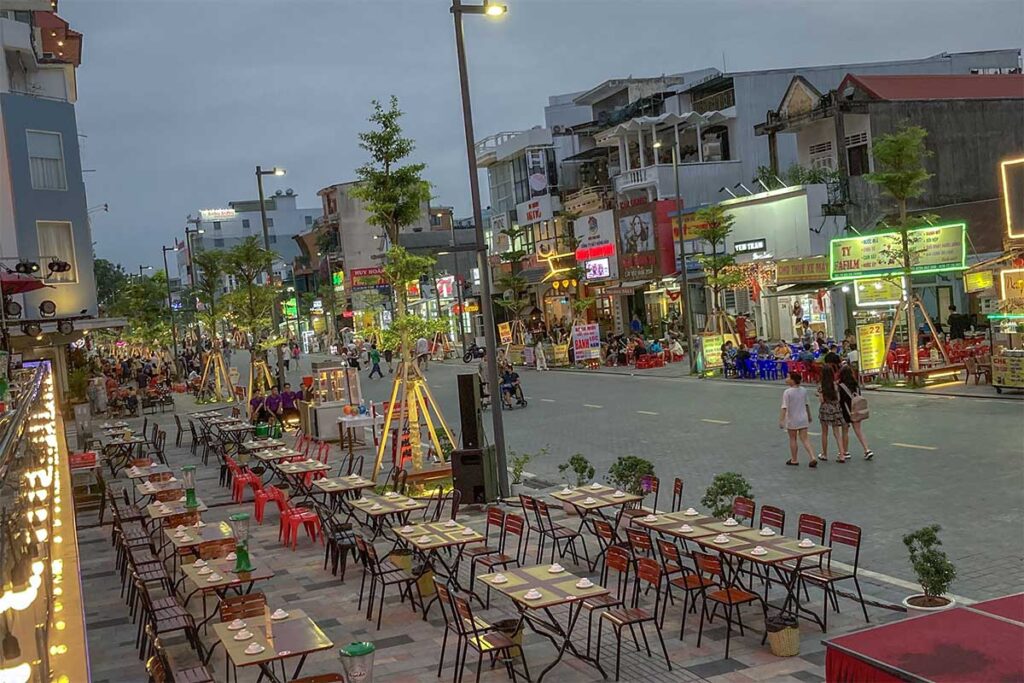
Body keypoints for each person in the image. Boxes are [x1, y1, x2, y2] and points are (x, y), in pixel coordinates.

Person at [780, 372, 816, 467]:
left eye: (788, 377)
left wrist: (782, 420)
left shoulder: (787, 392)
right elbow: (806, 404)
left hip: (792, 418)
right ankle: (812, 456)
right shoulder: (803, 390)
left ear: (792, 380)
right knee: (805, 439)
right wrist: (809, 415)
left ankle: (794, 459)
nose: (787, 378)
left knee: (793, 438)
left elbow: (784, 407)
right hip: (803, 417)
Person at [839, 365, 874, 460]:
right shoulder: (856, 385)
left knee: (845, 431)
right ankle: (867, 449)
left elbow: (841, 400)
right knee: (859, 430)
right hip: (856, 410)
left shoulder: (841, 386)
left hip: (846, 411)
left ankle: (845, 452)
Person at [816, 364, 846, 462]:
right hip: (835, 408)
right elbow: (838, 398)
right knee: (837, 432)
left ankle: (824, 454)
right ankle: (842, 454)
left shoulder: (821, 385)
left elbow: (821, 400)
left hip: (825, 409)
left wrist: (818, 394)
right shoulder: (835, 385)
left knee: (824, 433)